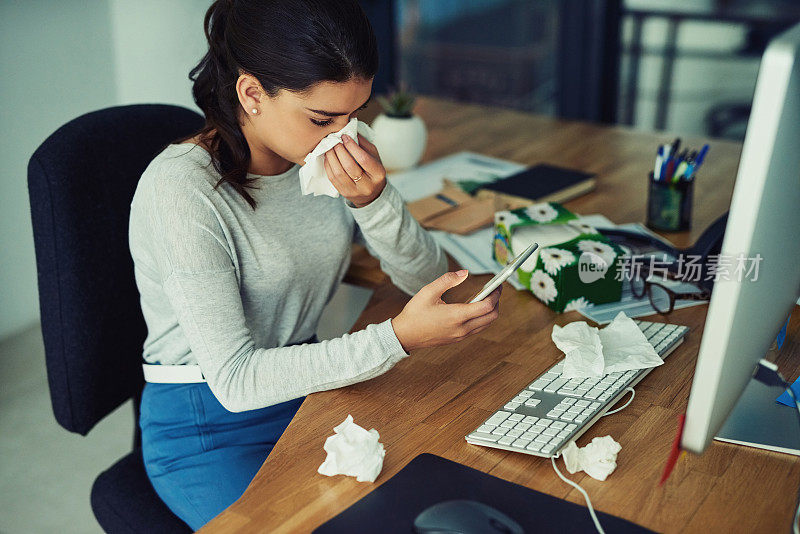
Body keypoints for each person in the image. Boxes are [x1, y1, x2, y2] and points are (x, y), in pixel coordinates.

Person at [127, 0, 502, 529]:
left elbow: (427, 279)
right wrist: (396, 338)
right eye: (323, 119)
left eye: (355, 114)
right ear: (251, 94)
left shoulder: (327, 151)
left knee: (440, 489)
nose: (342, 136)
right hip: (208, 422)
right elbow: (235, 381)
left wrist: (374, 202)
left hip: (307, 389)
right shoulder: (181, 192)